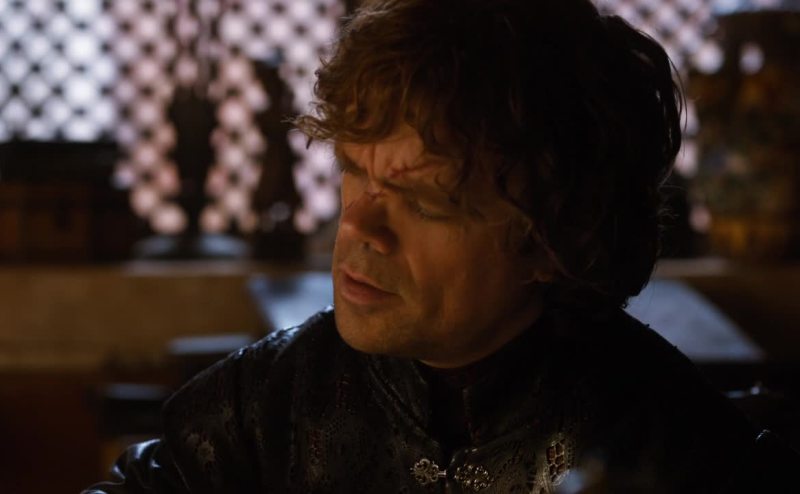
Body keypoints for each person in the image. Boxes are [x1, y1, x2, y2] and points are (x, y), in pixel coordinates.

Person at [84, 0, 795, 492]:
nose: (359, 227)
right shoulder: (265, 405)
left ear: (554, 237)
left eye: (424, 202)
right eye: (352, 171)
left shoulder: (675, 450)